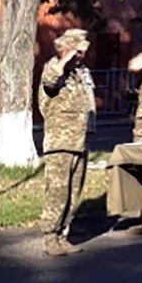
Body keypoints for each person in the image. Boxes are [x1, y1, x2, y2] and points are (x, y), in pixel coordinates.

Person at [37, 27, 94, 256]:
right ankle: (50, 237)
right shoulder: (53, 68)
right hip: (60, 143)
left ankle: (63, 234)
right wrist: (67, 57)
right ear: (68, 50)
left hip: (79, 141)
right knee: (58, 192)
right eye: (78, 52)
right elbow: (50, 82)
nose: (82, 56)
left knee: (73, 192)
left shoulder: (81, 73)